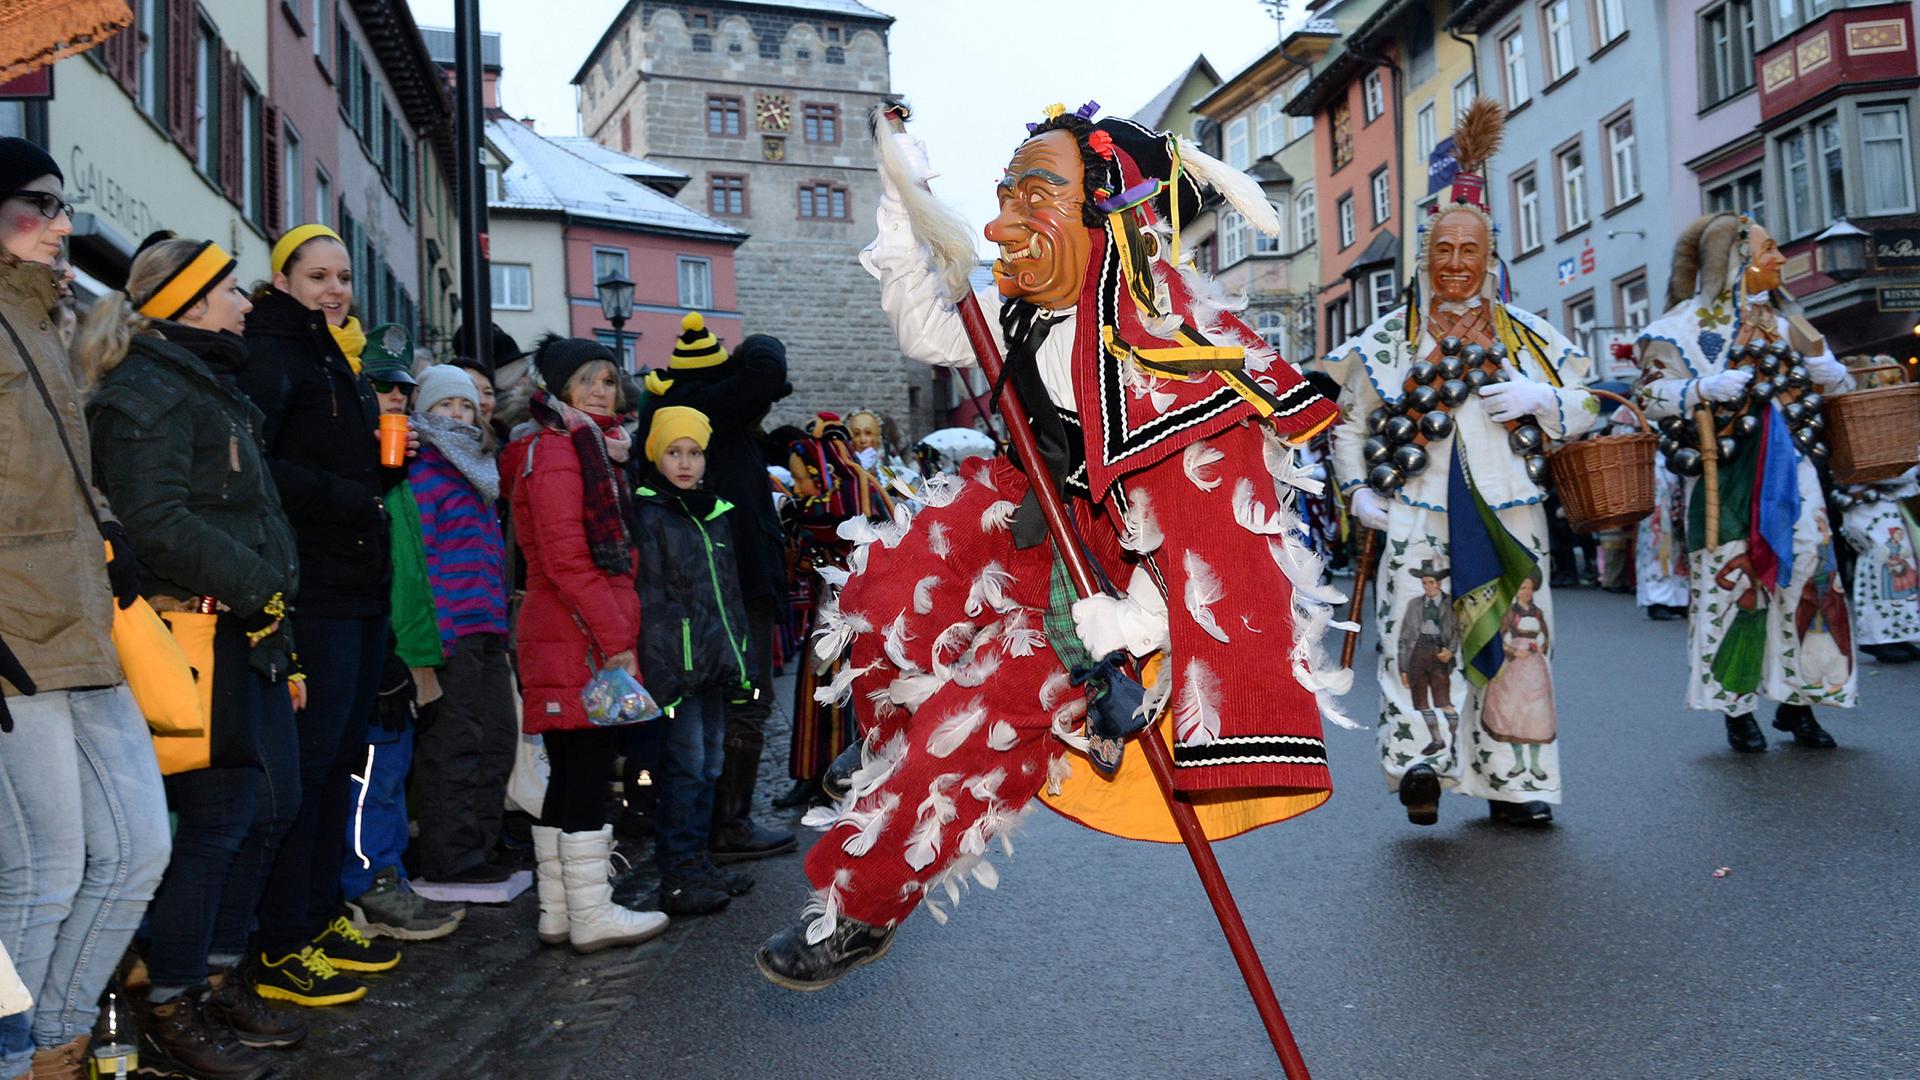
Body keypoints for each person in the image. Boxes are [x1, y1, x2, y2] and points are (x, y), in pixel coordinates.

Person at [755, 103, 1343, 990]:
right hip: (1033, 508)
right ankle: (884, 737)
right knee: (883, 589)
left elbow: (1224, 522)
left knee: (981, 720)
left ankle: (861, 908)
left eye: (1039, 194)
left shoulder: (1174, 342)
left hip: (1123, 567)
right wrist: (902, 201)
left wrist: (1137, 623)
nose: (1005, 220)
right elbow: (928, 330)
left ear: (1108, 210)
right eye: (1005, 194)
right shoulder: (1029, 302)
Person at [1329, 102, 1596, 829]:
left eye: (1468, 253)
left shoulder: (1533, 341)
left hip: (1511, 515)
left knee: (1520, 644)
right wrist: (1356, 491)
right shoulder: (1386, 345)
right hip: (1416, 515)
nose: (1454, 265)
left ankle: (1516, 782)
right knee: (1421, 642)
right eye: (1441, 252)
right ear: (1426, 258)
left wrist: (1544, 399)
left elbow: (1590, 407)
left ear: (1489, 260)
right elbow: (1348, 425)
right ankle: (1423, 767)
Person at [79, 237, 308, 1076]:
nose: (246, 304)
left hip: (245, 634)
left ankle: (209, 976)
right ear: (187, 299)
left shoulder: (207, 384)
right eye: (230, 291)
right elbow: (155, 520)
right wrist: (257, 584)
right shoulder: (146, 392)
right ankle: (172, 1001)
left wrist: (274, 621)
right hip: (193, 635)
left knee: (265, 814)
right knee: (218, 824)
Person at [0, 136, 172, 1079]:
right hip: (12, 640)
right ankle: (16, 1056)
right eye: (41, 204)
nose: (64, 224)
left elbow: (67, 476)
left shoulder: (45, 323)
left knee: (138, 851)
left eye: (66, 205)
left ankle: (57, 1038)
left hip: (81, 625)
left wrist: (114, 541)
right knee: (41, 877)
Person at [237, 224, 406, 1005]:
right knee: (306, 771)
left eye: (342, 277)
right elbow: (259, 463)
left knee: (341, 760)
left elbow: (342, 461)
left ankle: (318, 914)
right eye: (317, 277)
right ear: (283, 281)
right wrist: (347, 494)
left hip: (359, 582)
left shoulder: (339, 356)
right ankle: (279, 942)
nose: (335, 290)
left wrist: (379, 460)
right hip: (314, 588)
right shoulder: (274, 352)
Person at [1635, 213, 1859, 752]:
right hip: (1723, 475)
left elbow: (1841, 389)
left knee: (1808, 569)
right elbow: (1648, 397)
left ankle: (1799, 701)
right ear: (1733, 259)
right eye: (1768, 250)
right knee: (1734, 582)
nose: (1780, 260)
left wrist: (1833, 373)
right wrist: (1699, 389)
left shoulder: (1790, 325)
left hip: (1797, 472)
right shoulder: (1677, 328)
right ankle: (1736, 707)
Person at [500, 336, 669, 953]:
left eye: (608, 380)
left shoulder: (588, 447)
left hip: (572, 631)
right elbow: (569, 563)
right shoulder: (559, 450)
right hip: (578, 634)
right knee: (588, 774)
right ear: (559, 390)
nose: (602, 391)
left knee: (571, 774)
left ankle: (560, 910)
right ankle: (591, 912)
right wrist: (618, 640)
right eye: (588, 382)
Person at [638, 313, 796, 864]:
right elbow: (765, 369)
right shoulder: (702, 402)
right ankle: (724, 827)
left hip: (737, 583)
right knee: (744, 701)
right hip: (725, 588)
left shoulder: (713, 413)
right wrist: (753, 347)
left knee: (736, 706)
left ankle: (720, 826)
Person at [338, 338, 466, 942]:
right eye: (381, 389)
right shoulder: (366, 472)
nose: (394, 399)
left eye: (400, 391)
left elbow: (416, 575)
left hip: (407, 646)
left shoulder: (402, 471)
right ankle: (369, 886)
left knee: (391, 772)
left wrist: (424, 656)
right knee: (373, 778)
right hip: (378, 648)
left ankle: (385, 878)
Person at [633, 407, 758, 915]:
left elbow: (728, 595)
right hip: (678, 670)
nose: (685, 463)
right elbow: (652, 601)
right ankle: (677, 869)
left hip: (711, 662)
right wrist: (663, 673)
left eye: (694, 452)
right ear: (656, 455)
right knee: (685, 768)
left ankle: (698, 857)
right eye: (673, 452)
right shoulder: (650, 513)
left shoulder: (714, 513)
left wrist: (739, 660)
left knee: (709, 764)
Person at [407, 365, 517, 889]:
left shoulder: (478, 471)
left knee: (497, 738)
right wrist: (437, 633)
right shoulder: (423, 472)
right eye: (446, 405)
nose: (457, 415)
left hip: (488, 627)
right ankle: (451, 857)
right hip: (451, 630)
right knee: (454, 746)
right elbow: (422, 557)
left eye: (466, 406)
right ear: (424, 410)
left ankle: (482, 844)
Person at [1833, 466, 1920, 663]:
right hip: (1868, 504)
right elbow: (1885, 466)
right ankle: (1878, 637)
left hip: (1886, 501)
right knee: (1882, 567)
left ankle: (1899, 635)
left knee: (1897, 570)